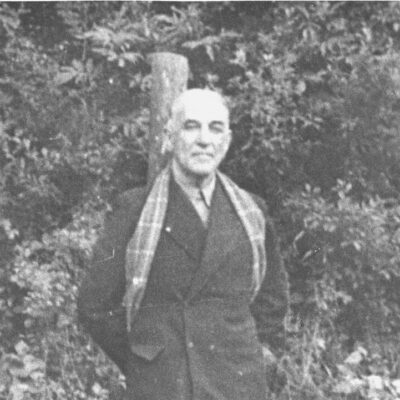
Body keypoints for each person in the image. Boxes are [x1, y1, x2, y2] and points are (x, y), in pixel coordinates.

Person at [77, 89, 289, 400]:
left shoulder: (252, 212)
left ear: (227, 140)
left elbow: (272, 299)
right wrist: (144, 357)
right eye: (191, 126)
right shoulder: (135, 210)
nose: (204, 140)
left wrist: (258, 356)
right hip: (162, 384)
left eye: (215, 128)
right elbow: (94, 305)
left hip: (237, 383)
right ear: (170, 136)